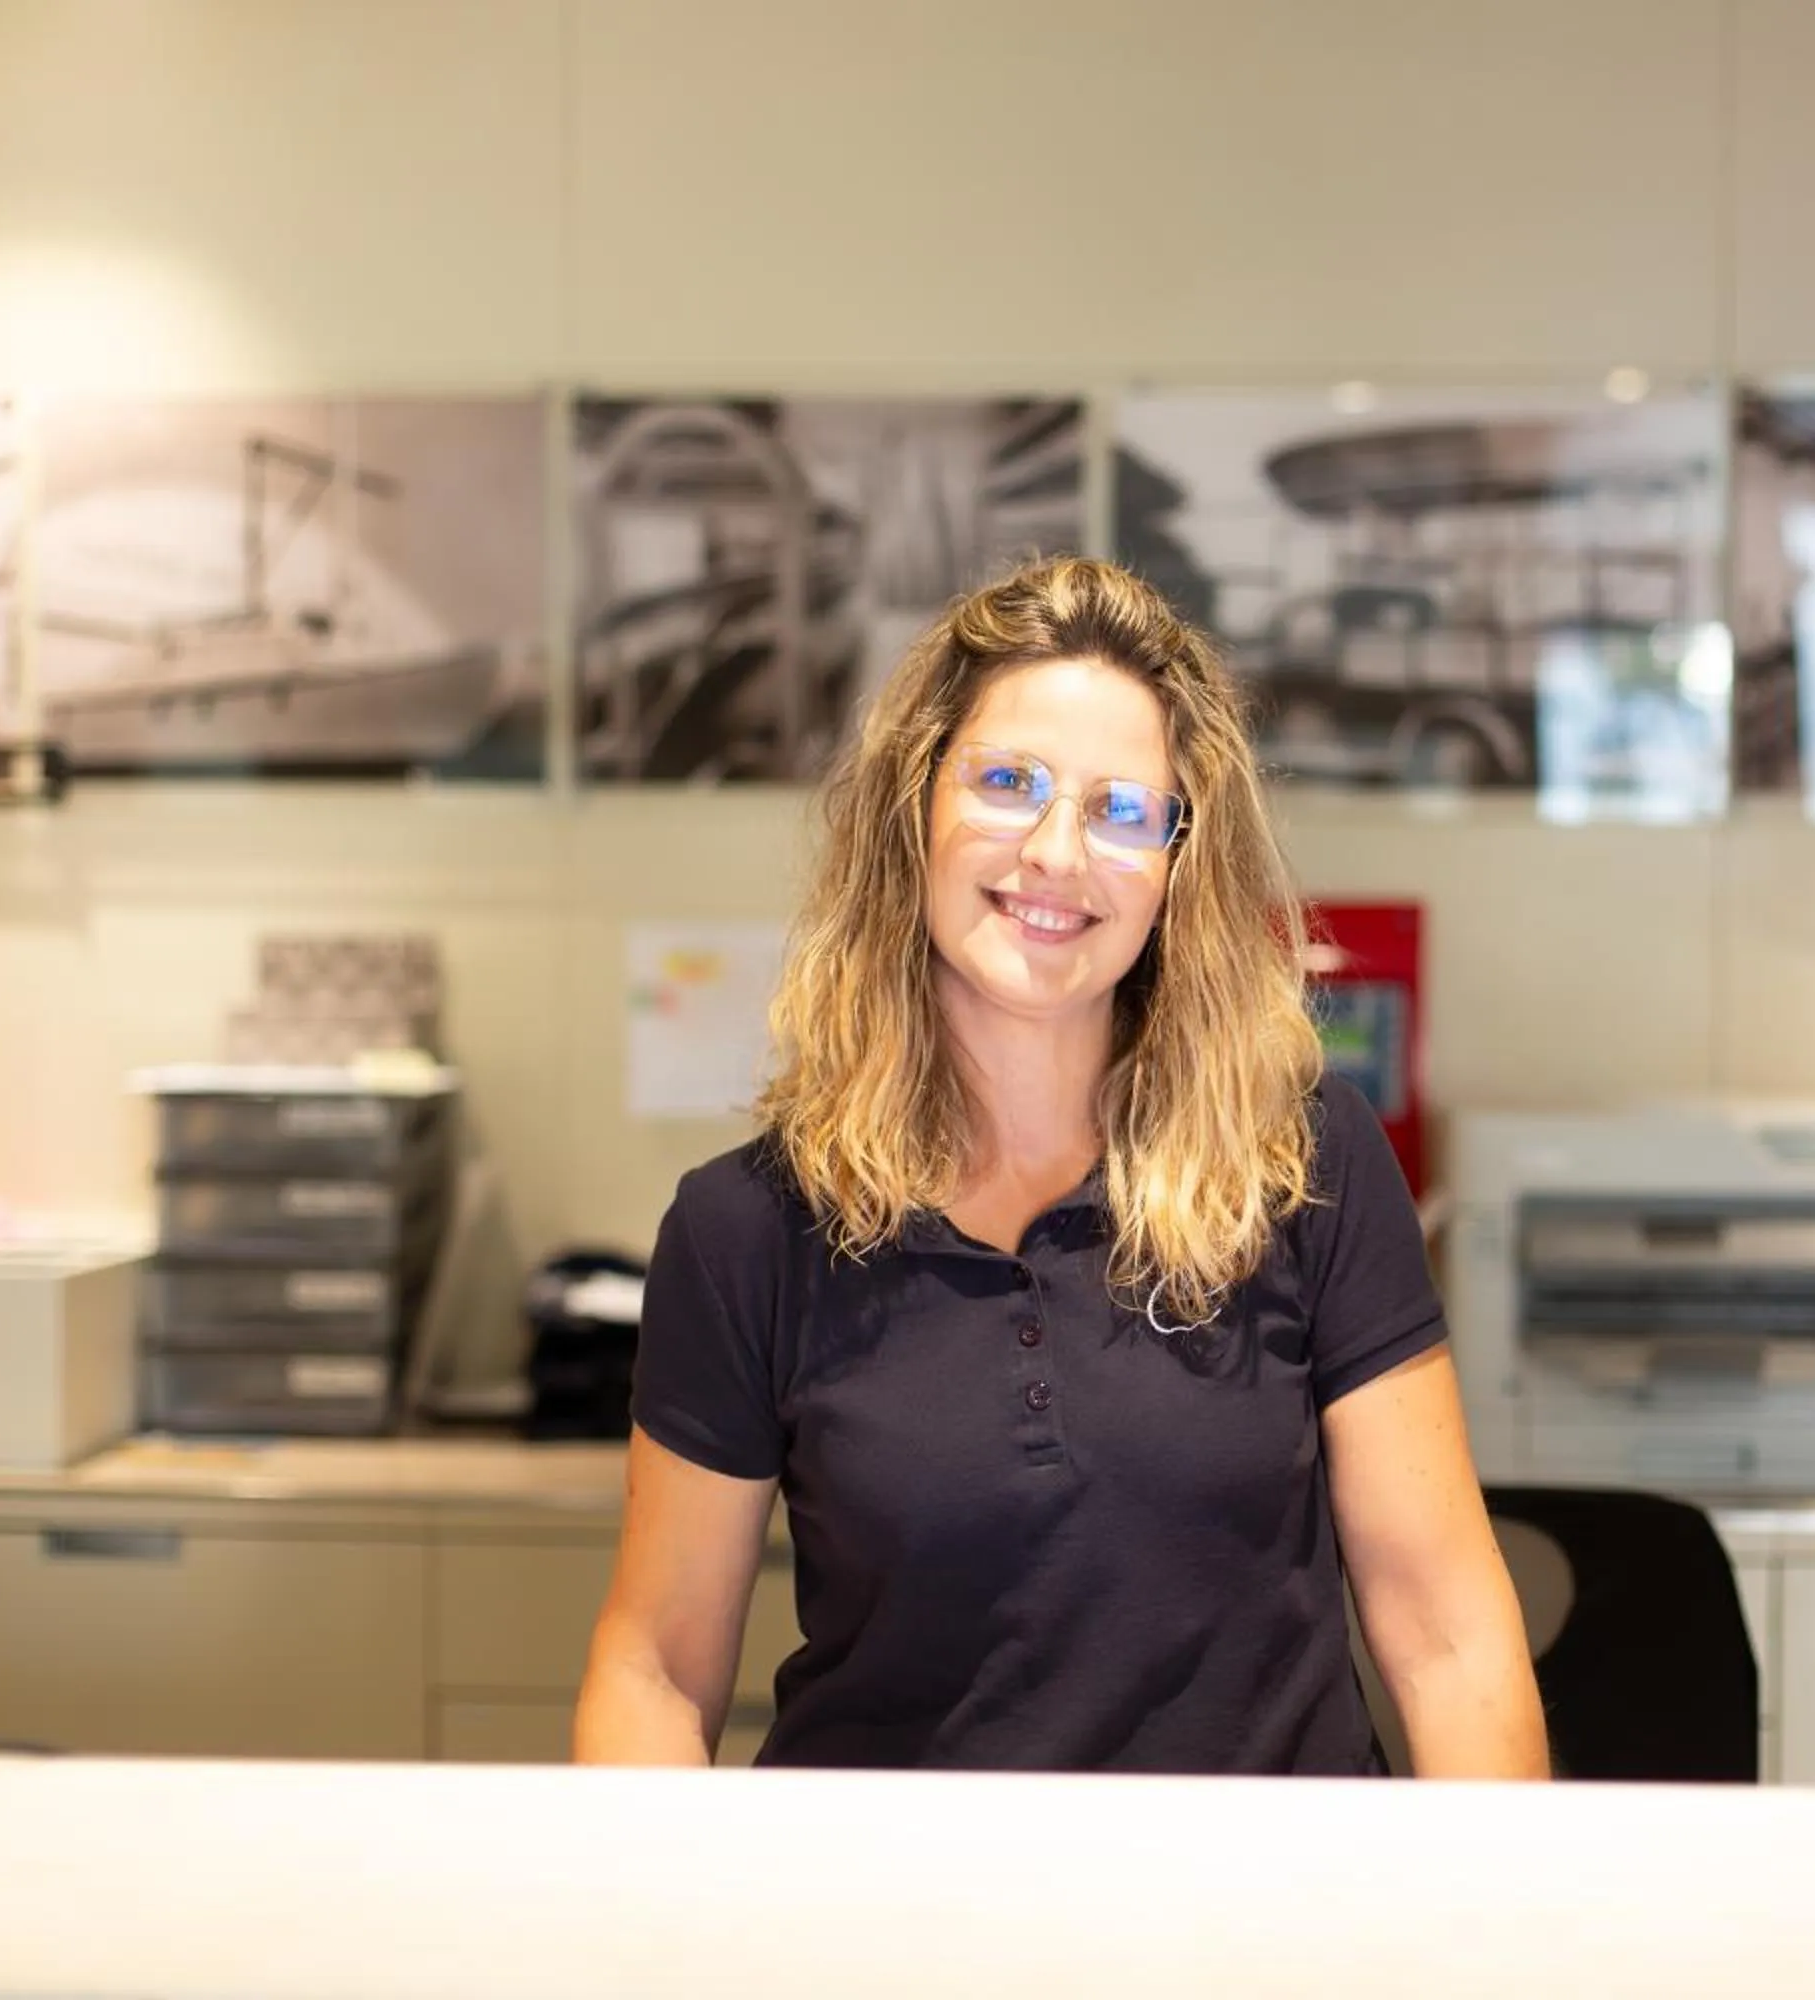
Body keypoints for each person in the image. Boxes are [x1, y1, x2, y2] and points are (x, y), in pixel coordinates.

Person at [574, 555, 1548, 1778]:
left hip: (1268, 1932)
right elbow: (656, 1664)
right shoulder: (749, 1227)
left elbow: (1449, 1635)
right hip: (900, 1928)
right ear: (914, 803)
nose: (1055, 851)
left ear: (1178, 863)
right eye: (1008, 781)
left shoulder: (1300, 1156)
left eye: (1122, 809)